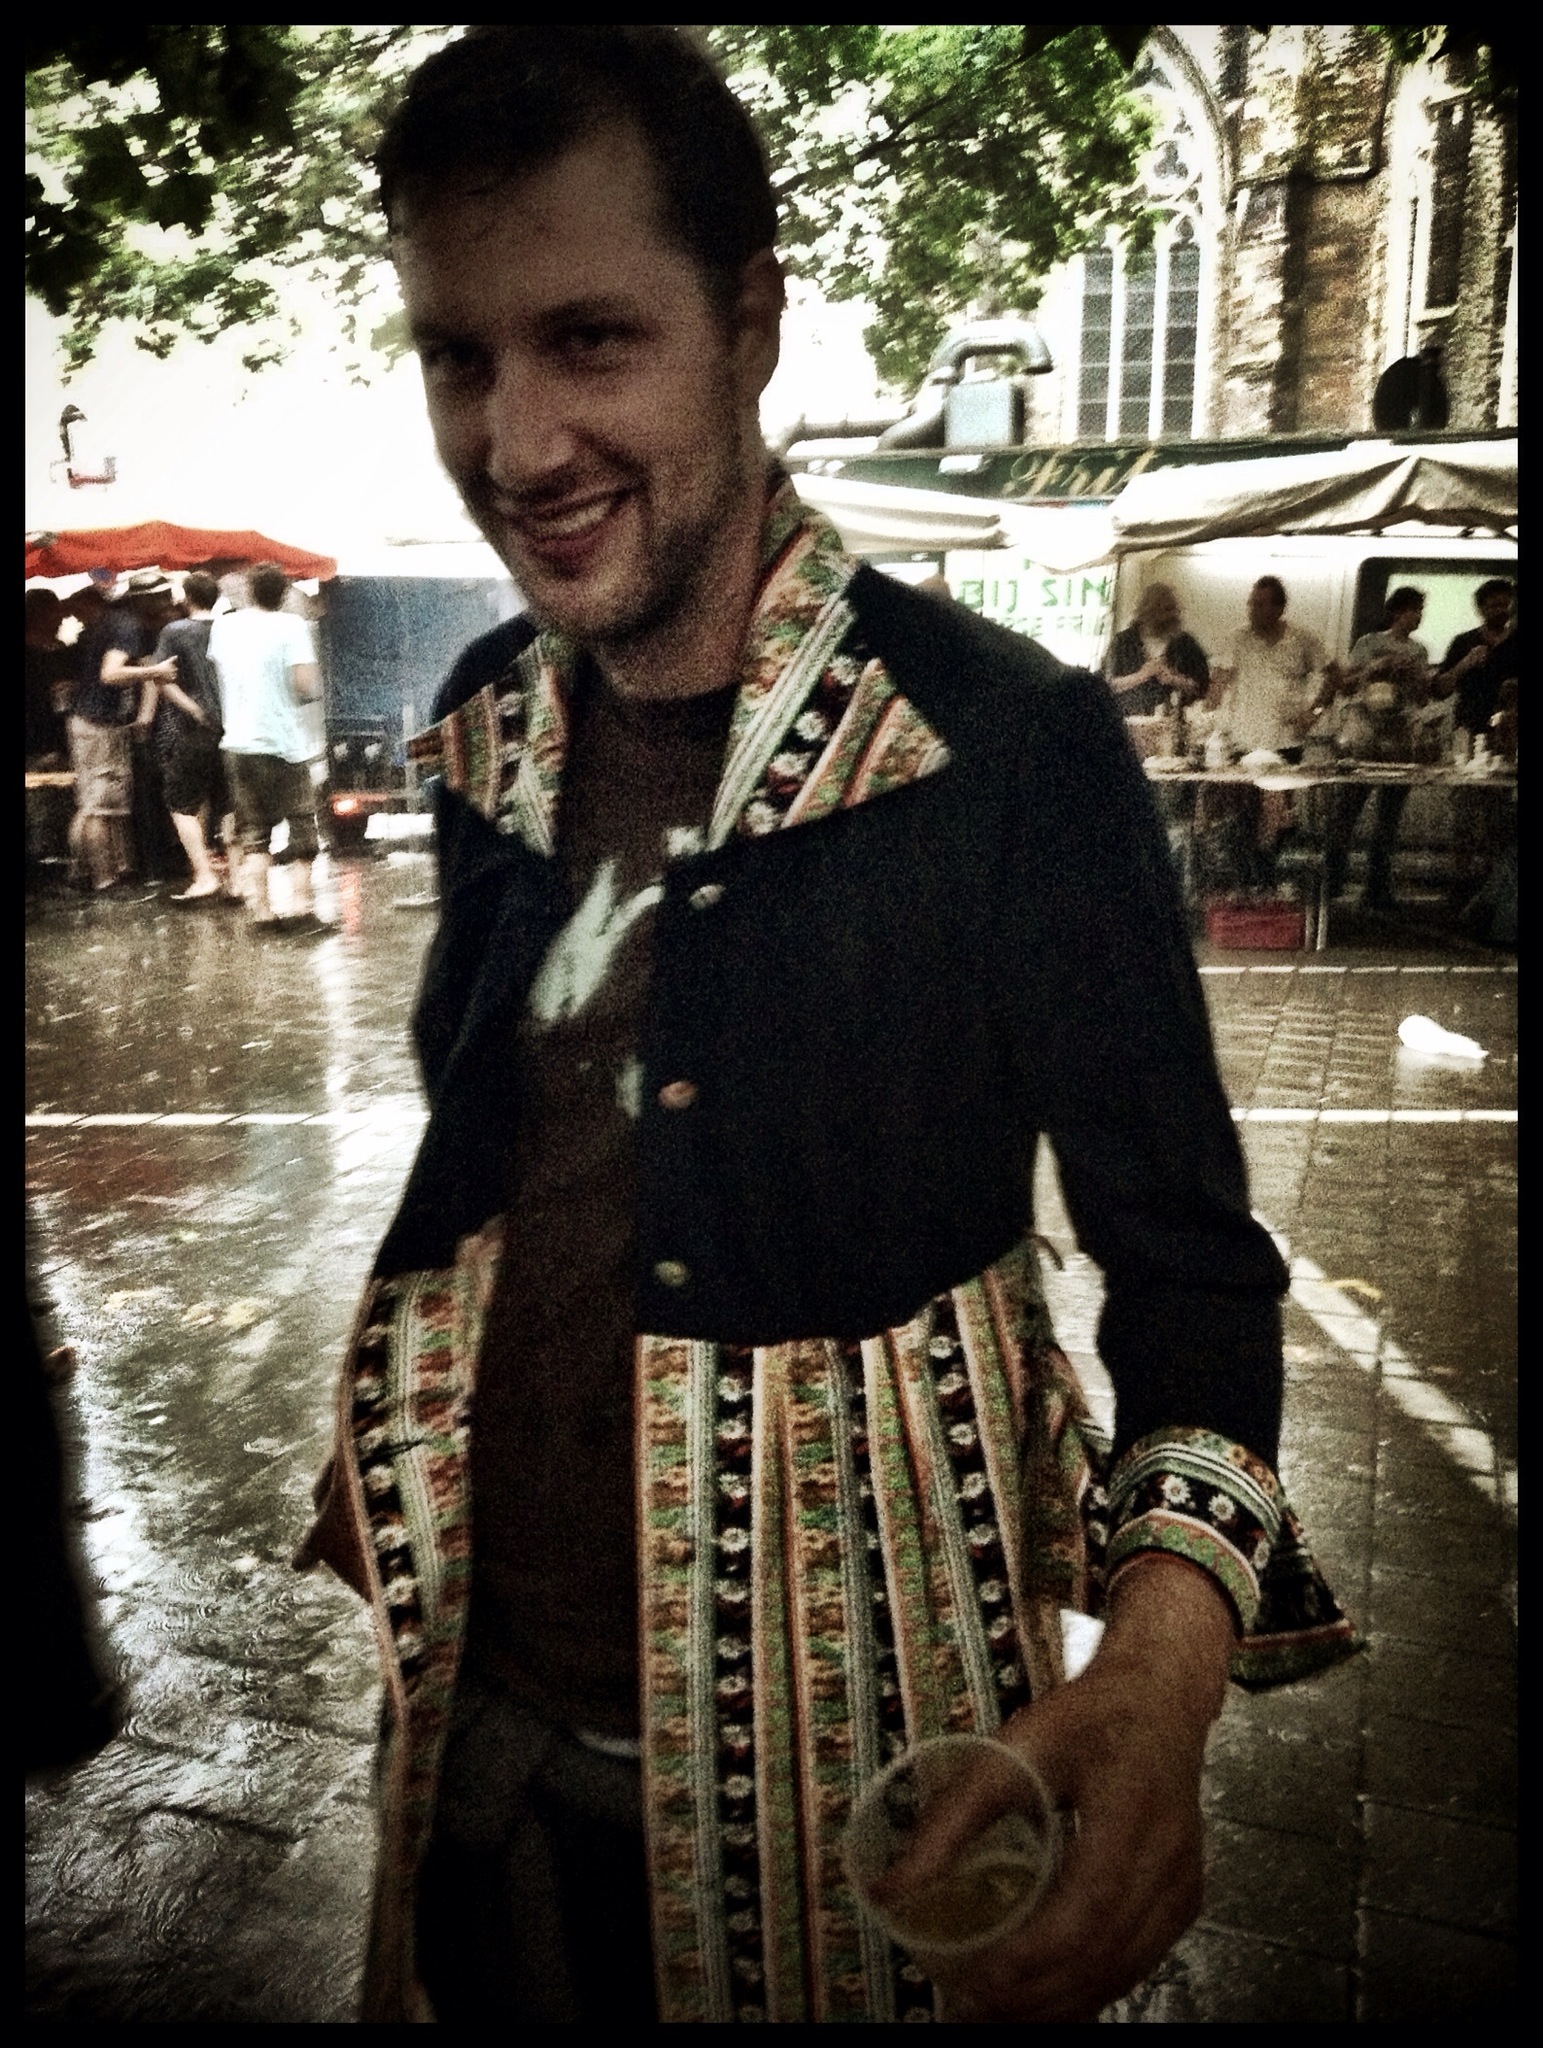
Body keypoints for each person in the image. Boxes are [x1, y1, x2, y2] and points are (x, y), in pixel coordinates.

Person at [296, 27, 1353, 2026]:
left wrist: (1157, 1673)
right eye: (458, 356)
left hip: (856, 1783)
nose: (516, 442)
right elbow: (507, 1151)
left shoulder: (1008, 744)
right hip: (466, 1739)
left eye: (589, 340)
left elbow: (1190, 1270)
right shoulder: (485, 722)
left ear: (750, 325)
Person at [207, 562, 325, 930]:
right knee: (302, 826)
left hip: (237, 744)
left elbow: (221, 671)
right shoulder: (292, 627)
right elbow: (305, 685)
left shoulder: (224, 626)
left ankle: (262, 912)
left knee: (254, 833)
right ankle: (302, 908)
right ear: (284, 595)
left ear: (250, 592)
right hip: (283, 744)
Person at [1206, 576, 1335, 888]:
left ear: (1279, 608)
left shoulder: (1303, 639)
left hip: (1285, 742)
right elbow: (1218, 683)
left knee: (1279, 816)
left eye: (1260, 604)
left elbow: (1334, 675)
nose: (1252, 610)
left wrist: (1315, 712)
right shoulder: (1237, 639)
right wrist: (1210, 709)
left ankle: (1267, 877)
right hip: (1244, 741)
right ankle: (1248, 882)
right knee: (1243, 816)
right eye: (1251, 603)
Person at [1315, 586, 1432, 912]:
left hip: (1400, 737)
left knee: (1389, 816)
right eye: (1413, 610)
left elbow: (1423, 698)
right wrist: (1376, 667)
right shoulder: (1368, 643)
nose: (1418, 616)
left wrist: (1414, 676)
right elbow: (1346, 685)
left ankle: (1377, 887)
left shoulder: (1419, 651)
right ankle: (1332, 881)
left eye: (1420, 610)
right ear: (1396, 612)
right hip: (1363, 735)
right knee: (1346, 810)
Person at [67, 569, 177, 892]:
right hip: (97, 723)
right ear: (147, 600)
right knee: (98, 806)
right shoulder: (127, 625)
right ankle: (103, 879)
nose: (169, 602)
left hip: (105, 722)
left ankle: (97, 872)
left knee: (108, 803)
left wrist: (144, 715)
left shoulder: (125, 622)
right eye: (162, 597)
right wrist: (156, 671)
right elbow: (111, 673)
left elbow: (144, 666)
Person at [143, 571, 230, 903]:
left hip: (194, 732)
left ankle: (204, 876)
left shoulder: (175, 631)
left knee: (182, 805)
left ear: (187, 597)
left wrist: (193, 709)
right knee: (227, 803)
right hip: (233, 729)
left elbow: (163, 678)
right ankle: (237, 880)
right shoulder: (228, 628)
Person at [1105, 582, 1209, 718]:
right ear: (1147, 612)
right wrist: (1141, 675)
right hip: (1128, 721)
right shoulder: (1123, 642)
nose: (1168, 616)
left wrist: (1173, 678)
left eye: (1171, 609)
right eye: (1162, 610)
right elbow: (1108, 684)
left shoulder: (1185, 644)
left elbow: (1201, 686)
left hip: (1172, 722)